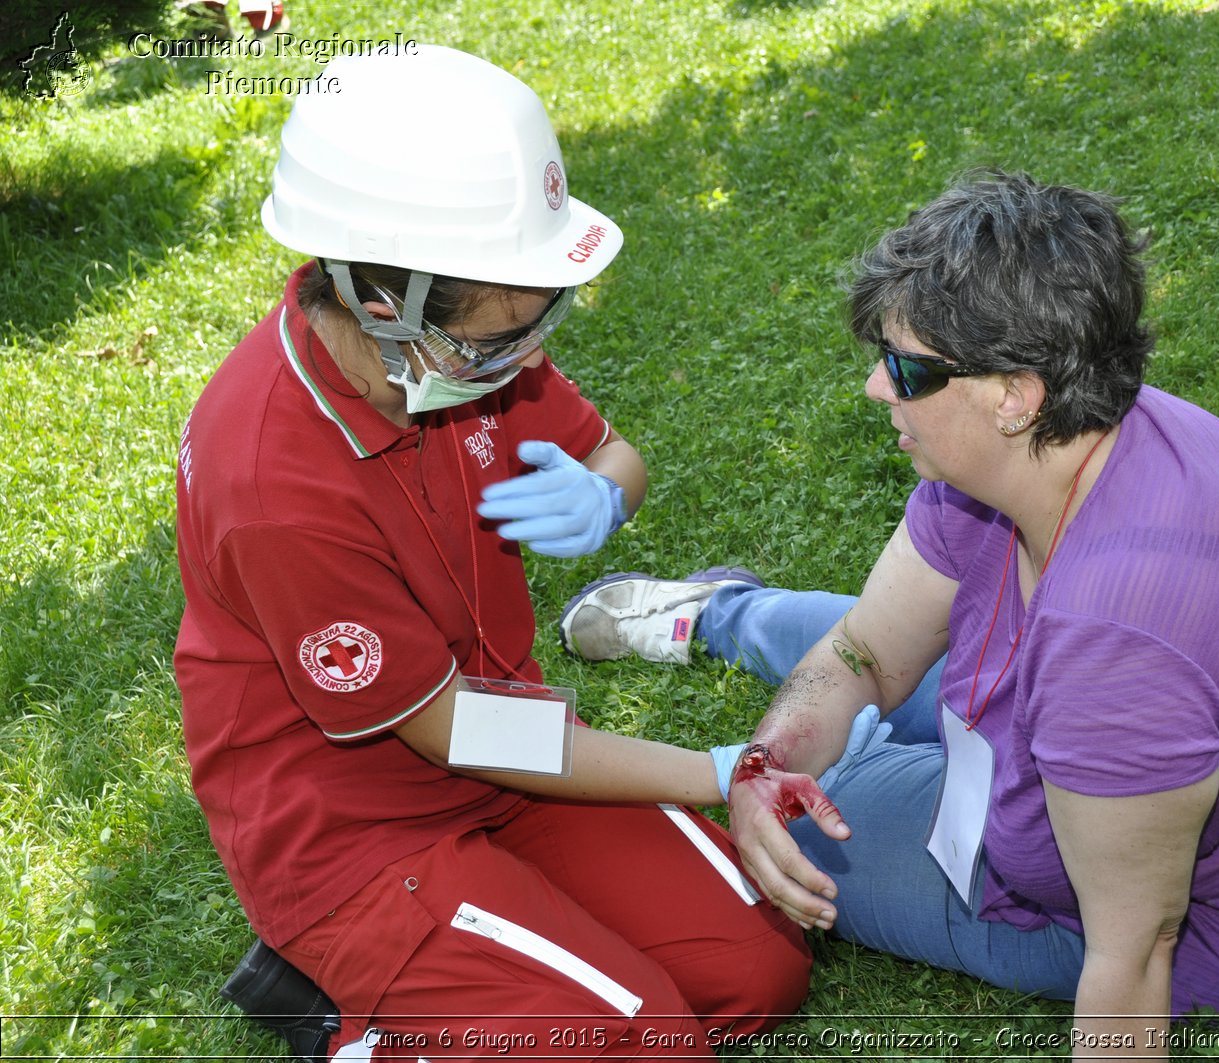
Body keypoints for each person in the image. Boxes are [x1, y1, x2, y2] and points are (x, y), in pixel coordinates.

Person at [560, 172, 1219, 1057]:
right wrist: (761, 760)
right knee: (850, 671)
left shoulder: (1117, 659)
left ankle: (741, 721)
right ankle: (720, 612)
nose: (873, 387)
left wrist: (749, 789)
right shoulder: (1044, 455)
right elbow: (866, 648)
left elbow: (1136, 948)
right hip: (1132, 743)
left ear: (1016, 392)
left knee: (807, 826)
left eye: (905, 368)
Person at [173, 45, 823, 1062]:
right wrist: (712, 766)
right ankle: (350, 1026)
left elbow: (609, 450)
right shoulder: (276, 487)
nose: (522, 360)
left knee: (762, 970)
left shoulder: (459, 345)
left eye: (538, 323)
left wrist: (607, 491)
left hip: (503, 751)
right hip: (357, 831)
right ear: (382, 298)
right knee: (646, 1042)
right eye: (498, 340)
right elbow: (459, 732)